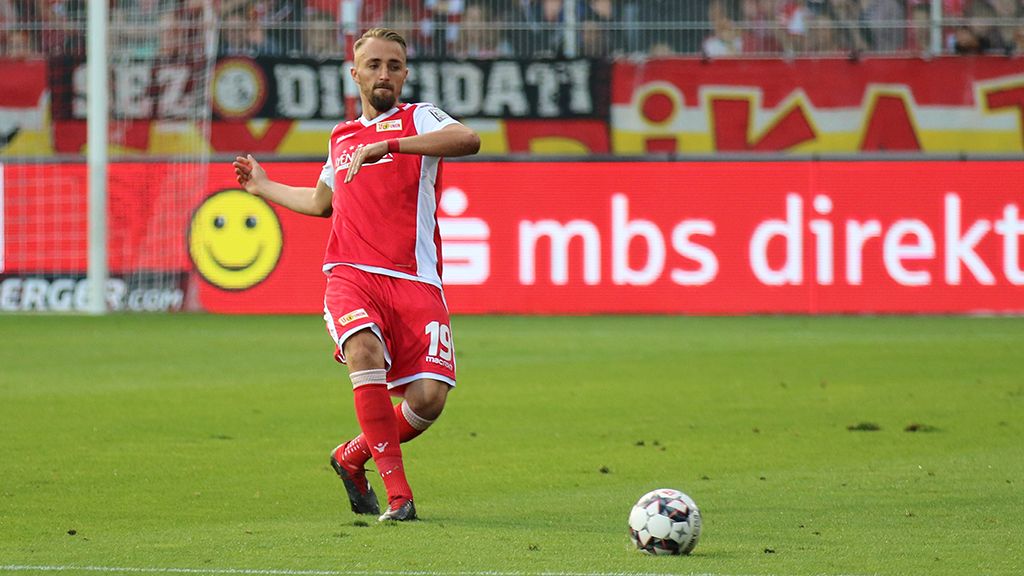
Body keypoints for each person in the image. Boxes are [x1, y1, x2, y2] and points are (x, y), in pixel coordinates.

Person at [231, 27, 481, 522]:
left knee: (428, 399)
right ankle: (399, 496)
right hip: (350, 273)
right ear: (355, 73)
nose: (383, 73)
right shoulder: (341, 137)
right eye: (373, 65)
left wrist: (393, 147)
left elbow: (468, 138)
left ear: (406, 74)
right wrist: (263, 187)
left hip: (415, 279)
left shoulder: (419, 118)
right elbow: (322, 201)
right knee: (362, 348)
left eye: (393, 65)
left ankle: (351, 456)